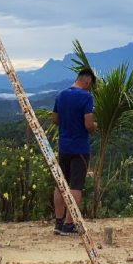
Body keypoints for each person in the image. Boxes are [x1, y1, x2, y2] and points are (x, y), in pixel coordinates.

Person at [50, 67, 97, 236]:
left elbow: (54, 119)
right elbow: (88, 125)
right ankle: (70, 224)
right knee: (76, 185)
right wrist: (94, 127)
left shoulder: (61, 95)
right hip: (79, 148)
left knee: (60, 184)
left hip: (64, 146)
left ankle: (58, 221)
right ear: (88, 81)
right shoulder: (86, 97)